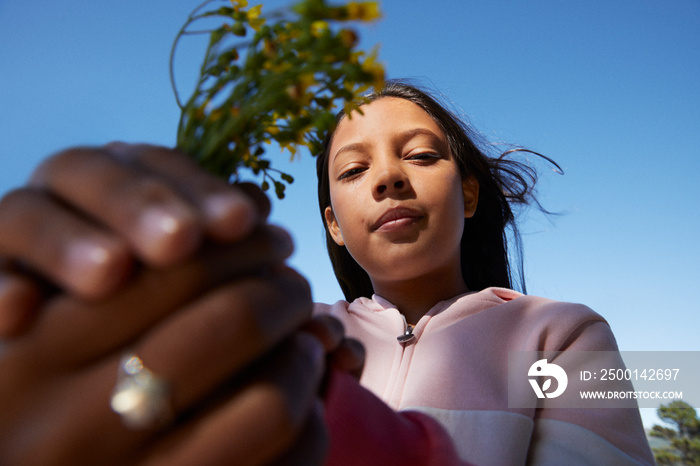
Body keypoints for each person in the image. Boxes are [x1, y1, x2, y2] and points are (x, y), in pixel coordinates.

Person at [0, 81, 654, 465]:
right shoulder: (291, 336)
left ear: (472, 195)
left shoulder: (562, 335)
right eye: (352, 170)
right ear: (333, 224)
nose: (390, 177)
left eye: (421, 156)